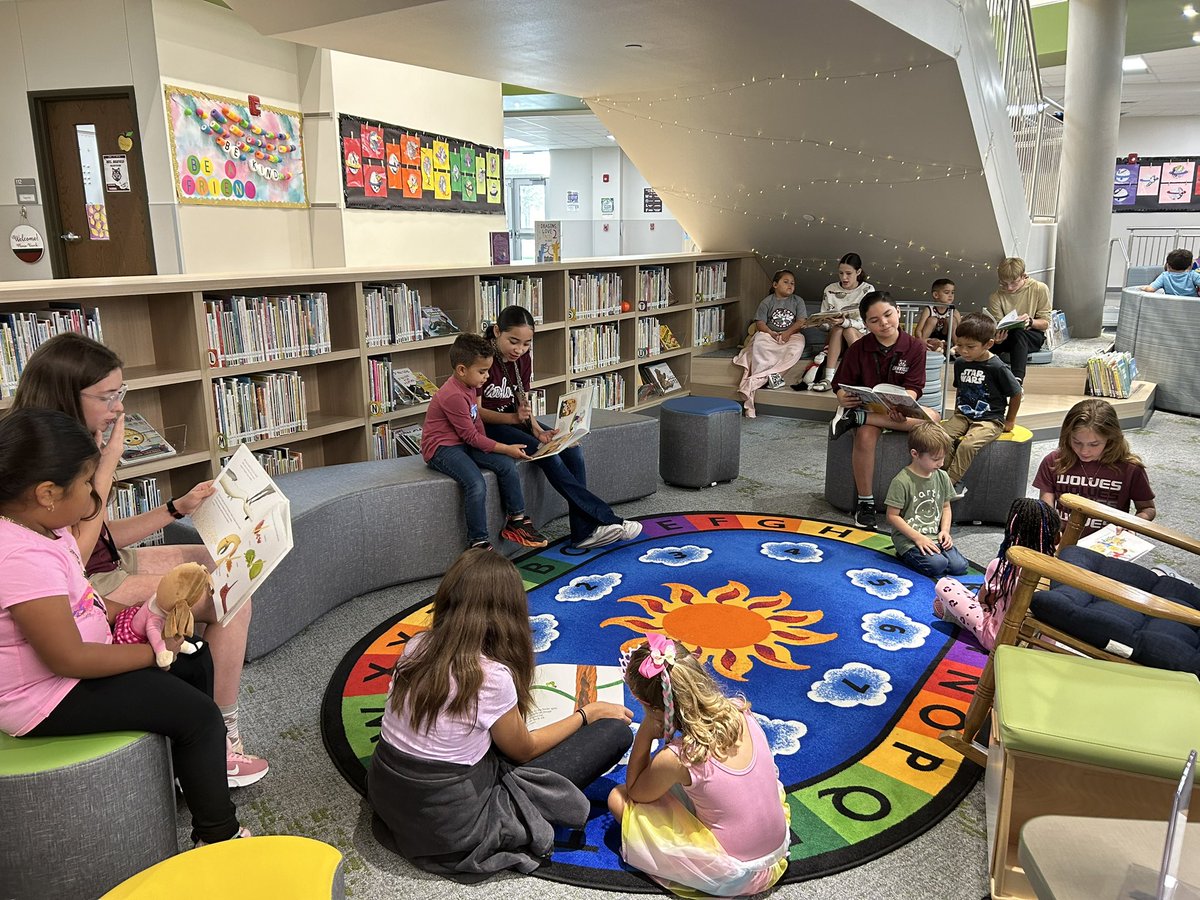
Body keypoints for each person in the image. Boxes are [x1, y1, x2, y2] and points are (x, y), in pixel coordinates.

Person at [11, 332, 266, 785]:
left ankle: (206, 722)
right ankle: (224, 737)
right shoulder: (45, 456)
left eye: (120, 393)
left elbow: (102, 537)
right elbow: (77, 552)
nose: (118, 409)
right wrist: (107, 461)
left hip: (104, 564)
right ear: (68, 395)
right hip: (82, 586)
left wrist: (175, 510)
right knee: (228, 595)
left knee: (219, 558)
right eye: (109, 397)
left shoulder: (74, 441)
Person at [0, 407, 247, 845]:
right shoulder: (20, 558)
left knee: (196, 658)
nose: (94, 504)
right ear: (47, 493)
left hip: (77, 664)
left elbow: (84, 602)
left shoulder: (45, 531)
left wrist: (147, 610)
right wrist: (156, 653)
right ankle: (219, 837)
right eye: (86, 486)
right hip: (46, 695)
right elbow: (68, 659)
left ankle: (184, 771)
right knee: (200, 716)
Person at [368, 548, 633, 880]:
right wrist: (586, 713)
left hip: (389, 796)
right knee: (615, 731)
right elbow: (524, 750)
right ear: (508, 612)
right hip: (452, 825)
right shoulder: (491, 676)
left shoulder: (417, 645)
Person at [607, 634, 790, 897]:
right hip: (777, 851)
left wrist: (646, 732)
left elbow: (635, 791)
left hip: (735, 875)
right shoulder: (740, 710)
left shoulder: (677, 757)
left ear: (652, 707)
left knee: (618, 797)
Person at [480, 306, 643, 549]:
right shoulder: (482, 359)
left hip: (515, 420)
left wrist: (536, 428)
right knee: (547, 455)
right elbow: (476, 412)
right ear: (496, 331)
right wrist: (519, 423)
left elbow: (521, 401)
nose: (519, 349)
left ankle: (583, 531)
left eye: (526, 344)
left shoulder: (521, 360)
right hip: (488, 426)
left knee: (571, 449)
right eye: (513, 341)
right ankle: (606, 518)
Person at [422, 333, 549, 551]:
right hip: (442, 448)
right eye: (482, 372)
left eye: (488, 370)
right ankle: (478, 542)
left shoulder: (469, 386)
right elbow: (471, 436)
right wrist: (505, 448)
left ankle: (516, 521)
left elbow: (476, 425)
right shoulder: (452, 394)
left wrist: (499, 451)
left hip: (463, 442)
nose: (487, 377)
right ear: (462, 370)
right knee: (476, 483)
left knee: (507, 466)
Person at [828, 291, 940, 531]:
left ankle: (859, 419)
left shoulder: (915, 347)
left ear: (898, 311)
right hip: (869, 405)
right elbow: (839, 383)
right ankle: (865, 503)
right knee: (866, 436)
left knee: (933, 418)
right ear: (866, 324)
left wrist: (903, 405)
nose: (884, 323)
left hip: (900, 408)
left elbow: (914, 388)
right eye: (874, 320)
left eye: (888, 315)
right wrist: (842, 397)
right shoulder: (859, 347)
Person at [932, 498, 1060, 651]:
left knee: (945, 584)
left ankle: (954, 615)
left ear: (1010, 532)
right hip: (1040, 646)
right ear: (1057, 537)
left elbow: (984, 600)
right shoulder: (1060, 571)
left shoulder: (1003, 566)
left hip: (999, 639)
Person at [1032, 398, 1156, 537]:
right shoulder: (1054, 461)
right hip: (1061, 541)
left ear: (1110, 439)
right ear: (1067, 436)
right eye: (1077, 442)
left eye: (1094, 444)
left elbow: (1148, 508)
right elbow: (1047, 510)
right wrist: (1051, 530)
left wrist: (1132, 525)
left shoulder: (1130, 468)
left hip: (1107, 543)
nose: (1084, 451)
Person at [940, 313, 1023, 498]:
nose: (964, 351)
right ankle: (947, 478)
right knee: (941, 437)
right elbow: (961, 390)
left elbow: (1016, 393)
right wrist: (956, 413)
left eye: (970, 347)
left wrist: (1010, 421)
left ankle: (947, 483)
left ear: (988, 344)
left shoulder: (997, 367)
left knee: (968, 445)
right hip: (963, 415)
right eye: (960, 345)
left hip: (990, 419)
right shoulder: (960, 363)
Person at [885, 422, 968, 579]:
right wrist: (918, 538)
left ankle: (932, 555)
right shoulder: (902, 481)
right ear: (915, 454)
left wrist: (945, 531)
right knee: (938, 565)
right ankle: (905, 555)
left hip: (934, 536)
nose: (941, 463)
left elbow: (946, 507)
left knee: (959, 566)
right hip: (909, 540)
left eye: (943, 458)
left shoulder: (942, 476)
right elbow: (892, 516)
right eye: (936, 459)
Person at [732, 269, 808, 416]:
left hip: (792, 334)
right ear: (775, 284)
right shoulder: (767, 302)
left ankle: (769, 376)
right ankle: (765, 373)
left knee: (798, 345)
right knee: (759, 341)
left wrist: (788, 333)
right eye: (786, 282)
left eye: (792, 283)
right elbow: (760, 323)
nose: (790, 285)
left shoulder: (798, 301)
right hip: (770, 334)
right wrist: (771, 333)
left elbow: (801, 321)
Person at [810, 253, 874, 392]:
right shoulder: (830, 289)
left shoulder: (867, 290)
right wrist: (821, 323)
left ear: (858, 272)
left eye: (848, 273)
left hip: (859, 337)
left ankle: (861, 375)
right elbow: (825, 324)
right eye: (841, 273)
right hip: (835, 338)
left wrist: (845, 322)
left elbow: (868, 323)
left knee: (847, 329)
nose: (844, 277)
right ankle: (829, 378)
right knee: (839, 328)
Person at [986, 257, 1052, 383]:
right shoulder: (996, 297)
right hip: (1006, 337)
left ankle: (1017, 381)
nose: (1009, 287)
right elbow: (998, 324)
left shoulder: (1039, 289)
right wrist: (997, 339)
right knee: (986, 338)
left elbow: (1045, 323)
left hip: (1032, 335)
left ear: (1024, 276)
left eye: (1014, 282)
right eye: (1004, 284)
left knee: (1018, 333)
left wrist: (1031, 321)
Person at [916, 278, 960, 353]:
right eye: (947, 292)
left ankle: (958, 348)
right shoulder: (929, 309)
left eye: (952, 292)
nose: (950, 295)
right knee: (932, 320)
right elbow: (918, 330)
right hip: (931, 340)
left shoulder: (953, 311)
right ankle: (923, 348)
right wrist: (922, 341)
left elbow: (961, 331)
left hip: (948, 340)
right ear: (936, 295)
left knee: (951, 319)